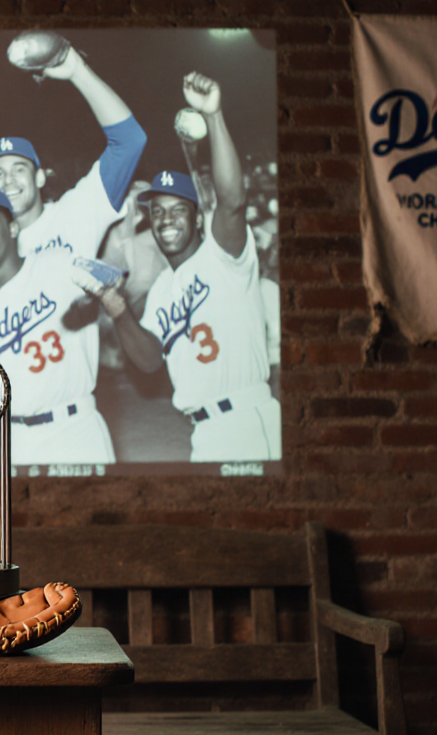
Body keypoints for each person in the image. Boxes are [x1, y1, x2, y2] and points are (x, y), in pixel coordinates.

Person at [86, 72, 281, 463]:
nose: (166, 220)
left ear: (196, 219)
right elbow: (149, 360)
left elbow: (232, 202)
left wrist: (214, 116)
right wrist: (116, 305)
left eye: (178, 210)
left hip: (247, 419)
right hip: (201, 433)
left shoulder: (223, 256)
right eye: (157, 212)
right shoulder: (162, 289)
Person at [0, 186, 116, 466]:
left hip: (73, 429)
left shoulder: (57, 264)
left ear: (12, 228)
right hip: (10, 441)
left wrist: (95, 301)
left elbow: (114, 278)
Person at [0, 41, 146, 263]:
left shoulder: (74, 213)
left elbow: (130, 141)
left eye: (19, 169)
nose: (8, 181)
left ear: (40, 177)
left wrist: (78, 72)